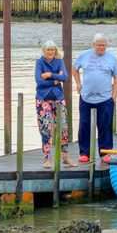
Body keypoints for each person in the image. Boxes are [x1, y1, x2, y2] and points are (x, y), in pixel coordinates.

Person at [72, 33, 117, 164]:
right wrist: (77, 83)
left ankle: (105, 152)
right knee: (84, 125)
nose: (101, 48)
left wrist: (114, 96)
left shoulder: (112, 58)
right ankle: (85, 153)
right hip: (86, 97)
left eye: (103, 45)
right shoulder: (84, 55)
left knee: (105, 125)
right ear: (93, 45)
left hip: (105, 98)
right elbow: (74, 68)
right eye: (99, 45)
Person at [34, 41, 76, 169]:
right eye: (48, 50)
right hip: (43, 100)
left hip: (58, 99)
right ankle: (46, 159)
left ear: (55, 51)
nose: (50, 52)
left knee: (63, 128)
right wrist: (55, 81)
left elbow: (65, 78)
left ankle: (65, 156)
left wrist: (49, 75)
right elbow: (39, 81)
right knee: (46, 128)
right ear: (44, 51)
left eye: (52, 50)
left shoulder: (59, 61)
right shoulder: (40, 62)